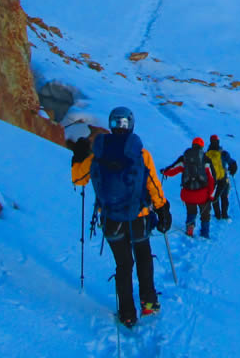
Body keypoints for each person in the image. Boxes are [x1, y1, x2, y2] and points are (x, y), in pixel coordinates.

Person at [71, 107, 172, 328]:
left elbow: (79, 180)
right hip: (140, 216)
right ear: (131, 125)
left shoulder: (98, 153)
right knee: (143, 257)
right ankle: (148, 302)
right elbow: (153, 184)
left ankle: (127, 313)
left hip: (111, 219)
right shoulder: (141, 154)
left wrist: (78, 156)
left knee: (123, 264)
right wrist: (163, 208)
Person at [161, 137, 216, 238]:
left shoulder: (185, 158)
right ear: (202, 146)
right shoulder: (206, 160)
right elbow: (212, 179)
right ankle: (205, 233)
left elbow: (173, 170)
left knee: (191, 211)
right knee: (205, 214)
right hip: (202, 194)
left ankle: (190, 228)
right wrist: (211, 196)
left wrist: (164, 171)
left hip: (187, 193)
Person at [205, 134, 238, 219]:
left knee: (215, 198)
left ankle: (217, 214)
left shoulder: (207, 154)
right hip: (223, 179)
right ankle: (224, 214)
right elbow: (232, 163)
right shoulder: (223, 153)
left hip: (212, 180)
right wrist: (232, 170)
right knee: (224, 197)